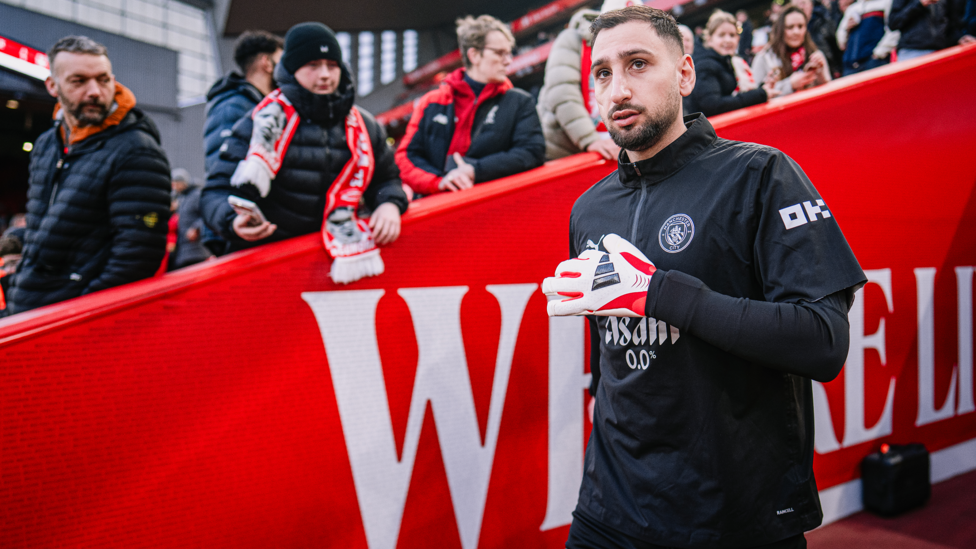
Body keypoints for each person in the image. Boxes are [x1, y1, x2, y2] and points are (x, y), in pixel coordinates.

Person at [540, 5, 865, 548]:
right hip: (608, 509)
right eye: (602, 72)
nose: (617, 88)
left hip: (731, 516)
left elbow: (823, 341)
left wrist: (655, 293)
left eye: (638, 64)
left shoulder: (760, 174)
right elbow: (614, 362)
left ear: (686, 74)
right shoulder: (588, 209)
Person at [202, 22, 407, 284]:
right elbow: (215, 191)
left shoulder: (366, 127)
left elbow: (387, 180)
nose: (324, 75)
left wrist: (389, 204)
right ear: (292, 69)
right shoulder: (258, 121)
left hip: (340, 268)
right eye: (312, 65)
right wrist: (232, 221)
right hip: (270, 267)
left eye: (331, 65)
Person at [5, 36, 171, 315]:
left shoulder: (137, 151)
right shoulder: (48, 143)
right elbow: (45, 226)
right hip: (28, 304)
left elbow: (136, 258)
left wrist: (81, 314)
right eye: (79, 81)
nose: (95, 91)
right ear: (52, 86)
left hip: (69, 320)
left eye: (103, 79)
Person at [396, 15, 545, 195]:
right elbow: (405, 158)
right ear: (474, 54)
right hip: (437, 206)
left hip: (493, 206)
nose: (508, 60)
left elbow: (532, 152)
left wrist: (476, 169)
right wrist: (439, 182)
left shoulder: (519, 102)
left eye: (509, 52)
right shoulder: (431, 102)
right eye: (500, 53)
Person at [536, 1, 637, 161]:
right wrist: (590, 140)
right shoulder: (572, 39)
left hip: (615, 146)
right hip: (567, 151)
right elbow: (563, 94)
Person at [204, 30, 283, 174]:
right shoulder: (232, 106)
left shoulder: (259, 104)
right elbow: (222, 168)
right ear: (267, 63)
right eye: (281, 61)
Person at [686, 10, 778, 117]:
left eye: (732, 35)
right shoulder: (705, 65)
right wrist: (759, 95)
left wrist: (763, 89)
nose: (728, 40)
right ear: (709, 39)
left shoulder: (729, 61)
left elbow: (733, 96)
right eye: (721, 35)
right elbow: (713, 106)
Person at [752, 4, 832, 96]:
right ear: (780, 30)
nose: (796, 32)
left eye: (800, 26)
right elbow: (755, 95)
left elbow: (827, 92)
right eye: (790, 27)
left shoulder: (815, 54)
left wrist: (821, 75)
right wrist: (789, 85)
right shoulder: (764, 58)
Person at [836, 0, 901, 75]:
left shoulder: (885, 3)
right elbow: (840, 41)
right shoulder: (853, 8)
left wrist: (878, 54)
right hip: (850, 66)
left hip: (874, 63)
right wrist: (847, 28)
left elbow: (894, 30)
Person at [889, 0, 964, 60]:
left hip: (941, 53)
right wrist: (919, 3)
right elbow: (893, 23)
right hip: (912, 52)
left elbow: (952, 25)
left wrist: (959, 38)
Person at [795, 0, 844, 76]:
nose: (801, 7)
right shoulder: (790, 33)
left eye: (803, 3)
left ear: (811, 5)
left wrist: (837, 70)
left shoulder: (824, 21)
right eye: (797, 5)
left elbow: (837, 48)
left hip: (830, 72)